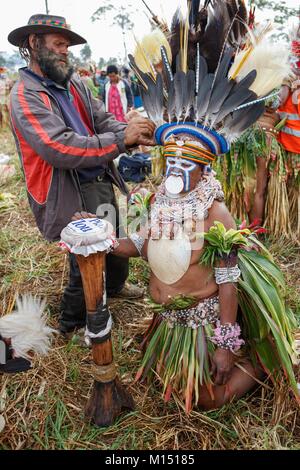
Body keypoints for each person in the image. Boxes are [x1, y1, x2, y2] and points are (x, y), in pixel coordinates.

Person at [85, 2, 299, 412]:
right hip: (170, 322)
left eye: (188, 165)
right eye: (173, 162)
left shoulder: (215, 213)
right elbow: (141, 244)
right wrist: (104, 240)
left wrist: (224, 346)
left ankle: (257, 363)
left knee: (205, 399)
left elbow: (228, 281)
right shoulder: (160, 199)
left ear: (204, 169)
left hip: (203, 321)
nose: (178, 171)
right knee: (164, 386)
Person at [8, 14, 156, 335]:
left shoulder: (75, 83)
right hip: (66, 187)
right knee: (85, 254)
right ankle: (73, 321)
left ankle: (115, 287)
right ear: (34, 44)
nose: (65, 51)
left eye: (67, 46)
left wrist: (134, 132)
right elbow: (57, 147)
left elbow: (103, 121)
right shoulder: (25, 96)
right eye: (58, 44)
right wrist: (120, 140)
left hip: (98, 174)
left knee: (113, 235)